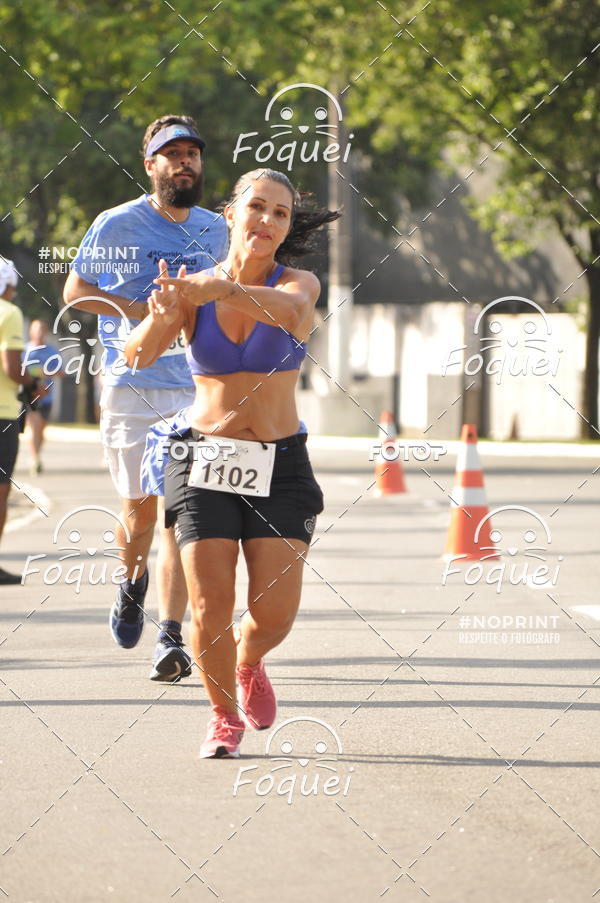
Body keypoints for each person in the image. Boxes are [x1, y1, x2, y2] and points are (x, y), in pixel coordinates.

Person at [124, 168, 338, 757]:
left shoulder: (300, 283)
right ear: (231, 214)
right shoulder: (194, 290)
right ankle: (222, 716)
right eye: (258, 207)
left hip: (280, 464)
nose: (267, 220)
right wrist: (160, 311)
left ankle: (250, 659)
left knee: (273, 615)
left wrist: (219, 291)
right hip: (203, 459)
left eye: (281, 214)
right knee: (208, 603)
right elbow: (137, 355)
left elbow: (292, 315)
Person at [63, 115, 228, 681]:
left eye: (193, 154)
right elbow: (76, 292)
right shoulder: (118, 225)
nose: (186, 162)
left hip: (196, 387)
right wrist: (141, 313)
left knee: (181, 516)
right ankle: (131, 580)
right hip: (133, 384)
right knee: (139, 514)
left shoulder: (217, 230)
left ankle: (171, 634)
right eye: (173, 153)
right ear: (150, 164)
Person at [0, 258, 46, 585]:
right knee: (0, 492)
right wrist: (32, 383)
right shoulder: (9, 313)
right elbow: (11, 369)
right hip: (2, 414)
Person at [22, 319, 64, 474]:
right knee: (34, 425)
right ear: (30, 332)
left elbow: (61, 373)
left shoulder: (52, 351)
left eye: (42, 329)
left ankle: (36, 455)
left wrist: (46, 372)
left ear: (45, 332)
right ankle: (35, 459)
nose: (39, 332)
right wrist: (31, 374)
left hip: (47, 396)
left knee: (40, 430)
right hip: (30, 396)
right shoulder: (24, 351)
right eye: (36, 329)